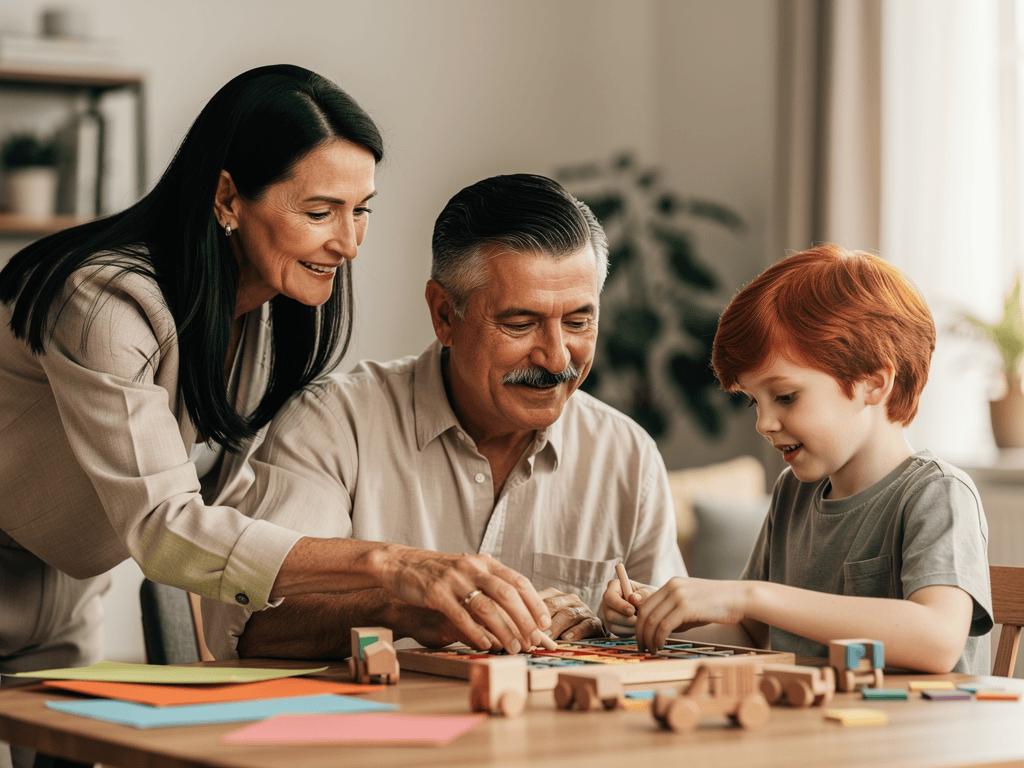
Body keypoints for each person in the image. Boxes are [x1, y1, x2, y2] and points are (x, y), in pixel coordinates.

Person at [0, 65, 549, 721]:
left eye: (361, 210)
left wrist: (400, 604)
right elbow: (165, 528)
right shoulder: (105, 303)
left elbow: (234, 513)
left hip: (62, 583)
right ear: (228, 196)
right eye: (319, 212)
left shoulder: (260, 313)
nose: (348, 243)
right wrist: (393, 565)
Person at [201, 173, 688, 660]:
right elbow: (253, 628)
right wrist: (404, 607)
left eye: (580, 322)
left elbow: (675, 644)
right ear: (444, 316)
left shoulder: (627, 454)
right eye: (521, 324)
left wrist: (611, 628)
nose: (558, 359)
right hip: (376, 734)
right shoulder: (333, 424)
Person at [603, 244, 993, 675]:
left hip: (914, 737)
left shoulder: (936, 493)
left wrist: (749, 596)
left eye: (785, 396)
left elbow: (936, 640)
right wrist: (656, 619)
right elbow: (750, 637)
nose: (764, 422)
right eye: (754, 401)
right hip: (820, 732)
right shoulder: (794, 491)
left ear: (873, 383)